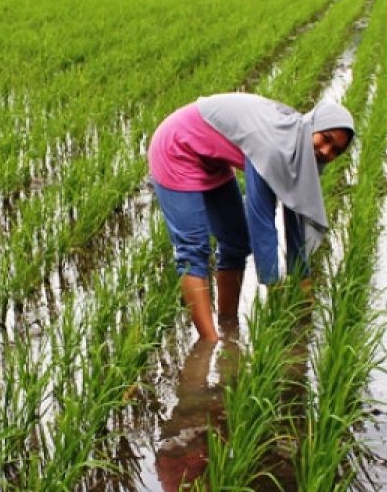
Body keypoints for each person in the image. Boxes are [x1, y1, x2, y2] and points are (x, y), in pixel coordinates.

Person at [148, 92, 355, 341]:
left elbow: (295, 215)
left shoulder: (297, 144)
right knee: (193, 250)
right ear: (314, 126)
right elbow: (261, 221)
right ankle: (211, 344)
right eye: (326, 139)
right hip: (177, 146)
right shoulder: (275, 146)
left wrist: (301, 278)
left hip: (211, 160)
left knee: (235, 242)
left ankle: (228, 326)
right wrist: (277, 293)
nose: (325, 150)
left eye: (335, 150)